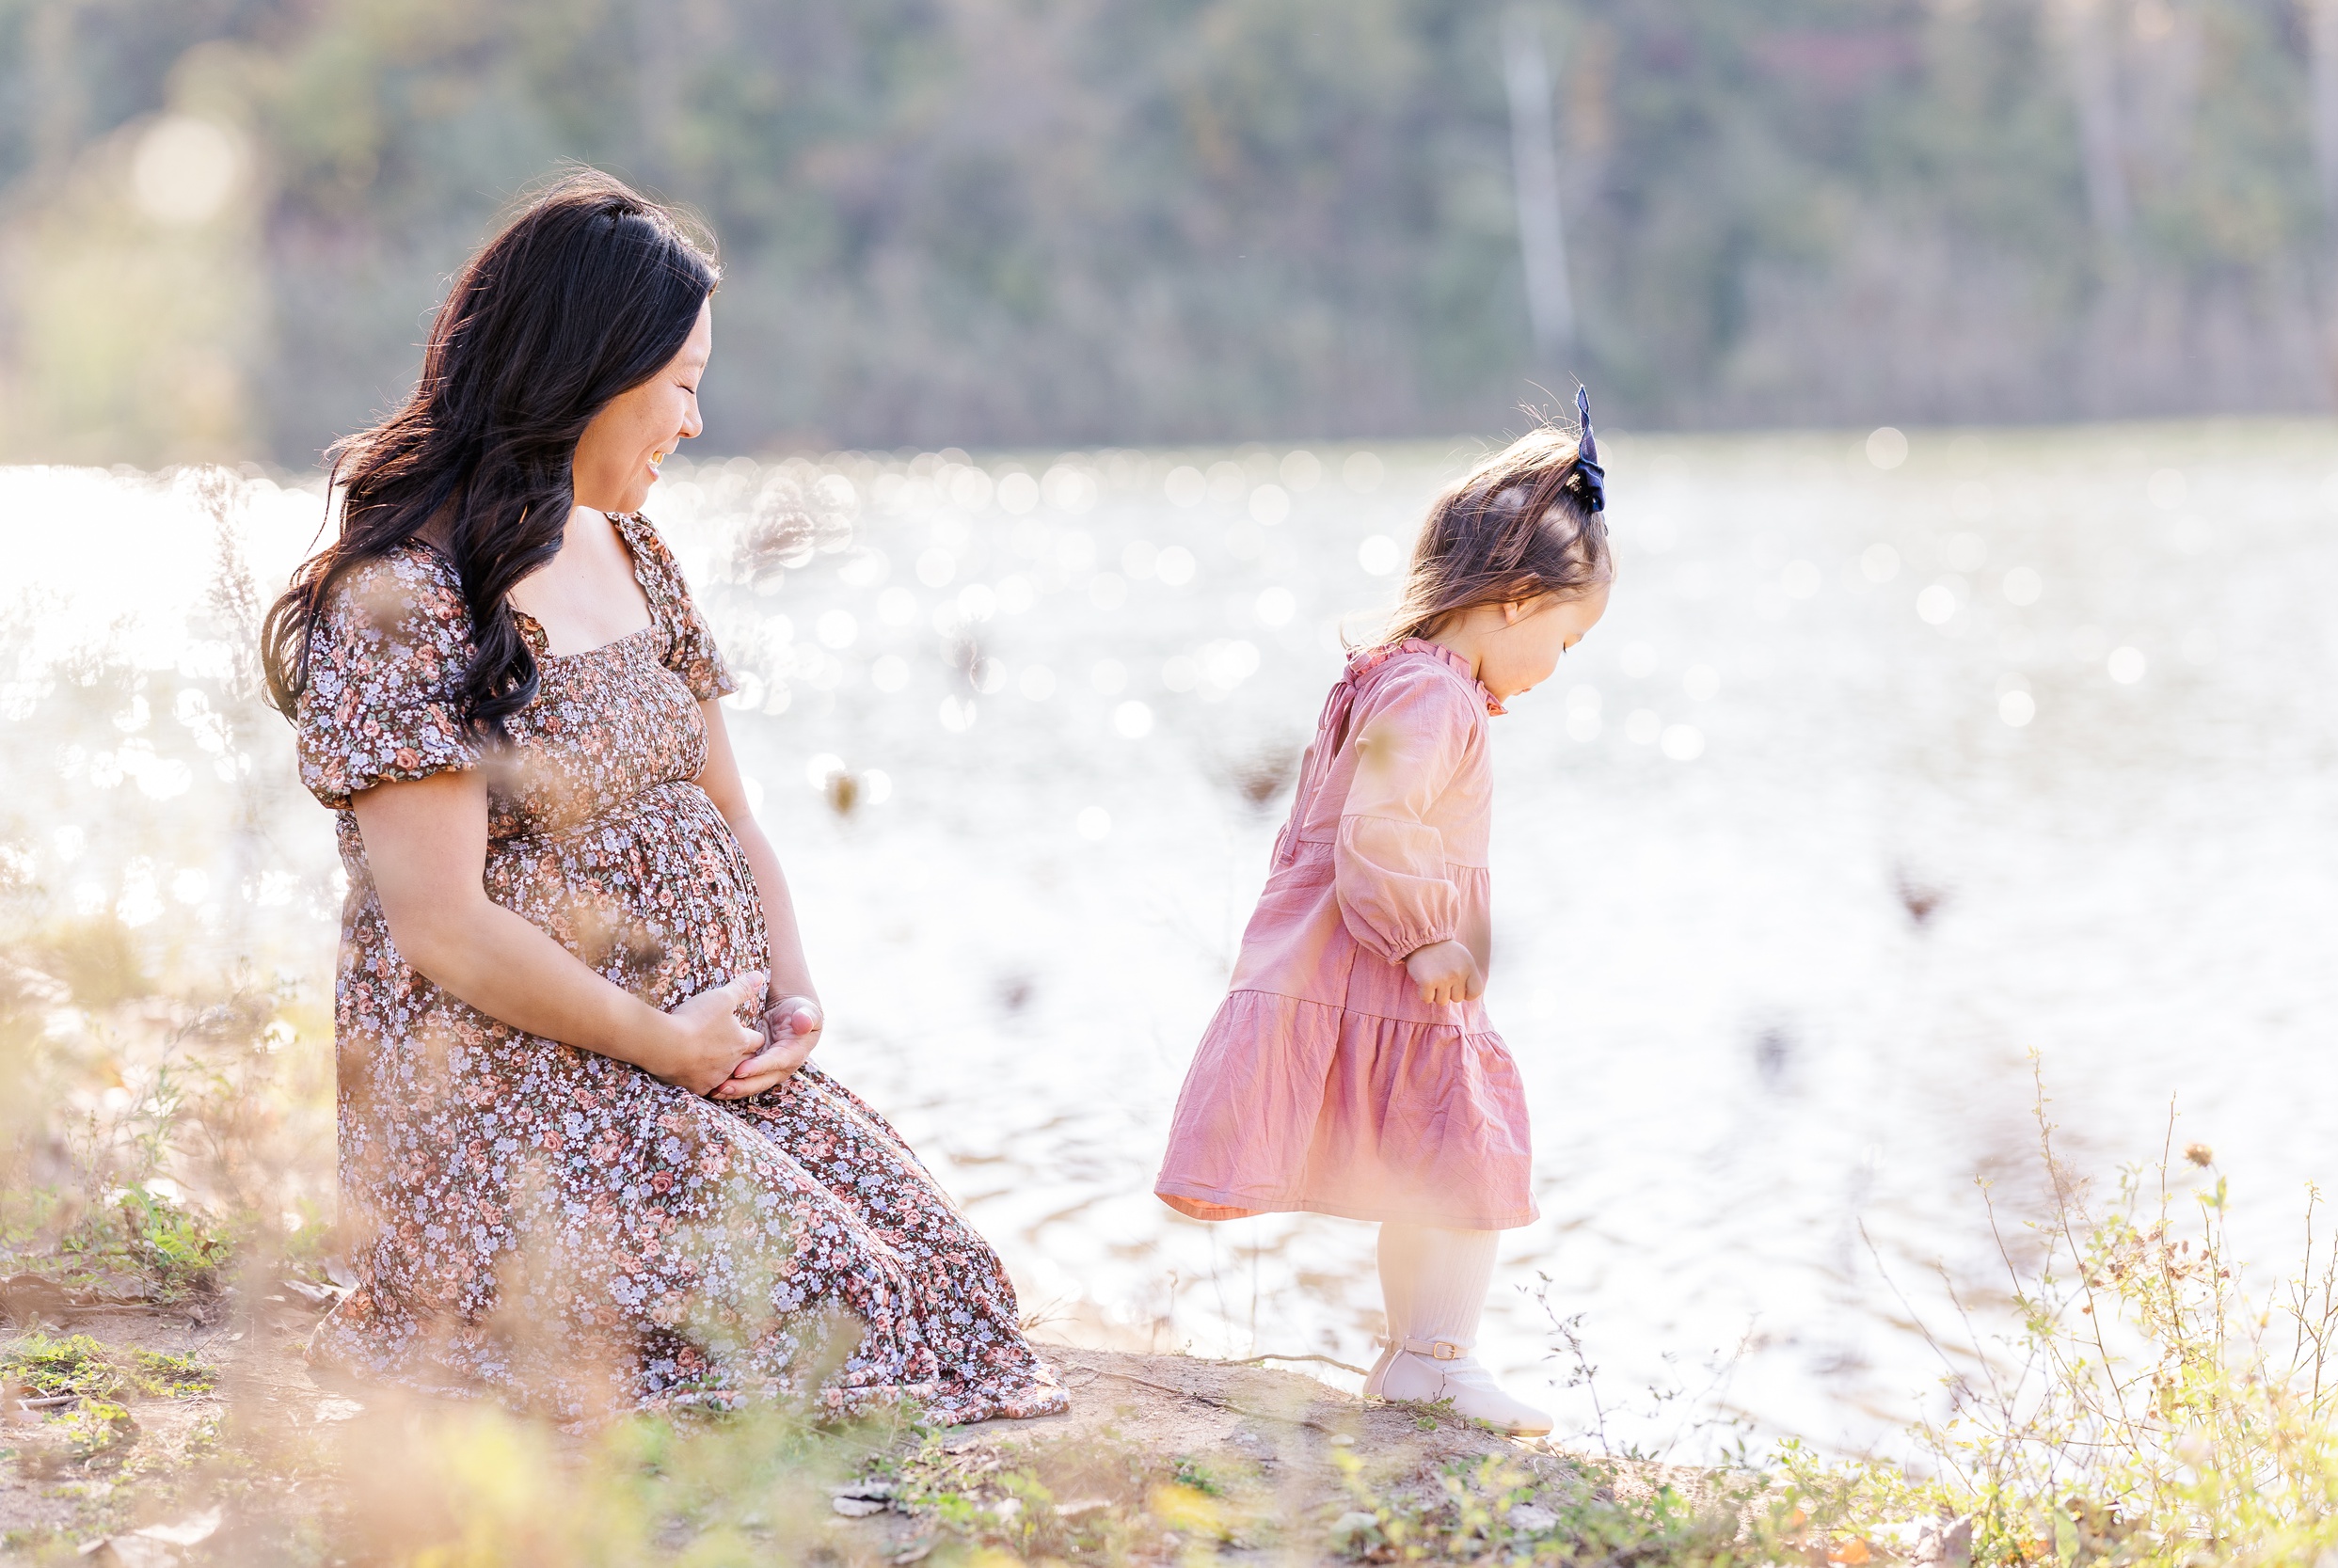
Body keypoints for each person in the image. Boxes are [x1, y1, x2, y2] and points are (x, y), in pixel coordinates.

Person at [260, 172, 1065, 1424]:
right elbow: (441, 925)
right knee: (822, 1300)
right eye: (682, 382)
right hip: (516, 1093)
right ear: (589, 369)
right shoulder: (409, 595)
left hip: (693, 1060)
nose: (696, 420)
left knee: (946, 1282)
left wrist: (791, 997)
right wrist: (664, 1041)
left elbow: (733, 810)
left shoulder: (633, 550)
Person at [1154, 395, 1614, 1434]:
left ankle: (1419, 1352)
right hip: (1394, 967)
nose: (1558, 667)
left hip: (1363, 972)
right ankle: (1435, 1354)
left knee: (1436, 1161)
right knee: (1469, 1158)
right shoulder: (1433, 695)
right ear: (1512, 601)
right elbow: (1377, 829)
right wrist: (1428, 935)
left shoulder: (1408, 678)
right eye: (1566, 638)